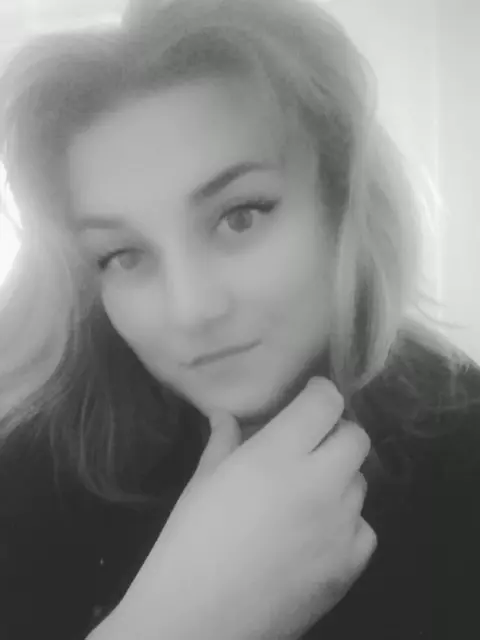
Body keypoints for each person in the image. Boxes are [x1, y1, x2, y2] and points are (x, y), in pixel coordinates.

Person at [0, 0, 479, 638]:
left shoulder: (463, 450)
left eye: (240, 216)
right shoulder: (35, 468)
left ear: (343, 205)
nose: (191, 310)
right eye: (123, 255)